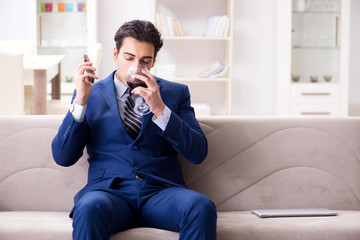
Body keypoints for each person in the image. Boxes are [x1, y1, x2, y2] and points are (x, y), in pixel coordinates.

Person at [51, 19, 217, 240]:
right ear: (115, 55)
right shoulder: (90, 93)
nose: (136, 67)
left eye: (145, 61)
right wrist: (81, 100)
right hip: (109, 193)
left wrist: (160, 109)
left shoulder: (175, 94)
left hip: (161, 192)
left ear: (154, 61)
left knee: (201, 206)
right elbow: (63, 157)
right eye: (129, 58)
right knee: (89, 207)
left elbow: (198, 153)